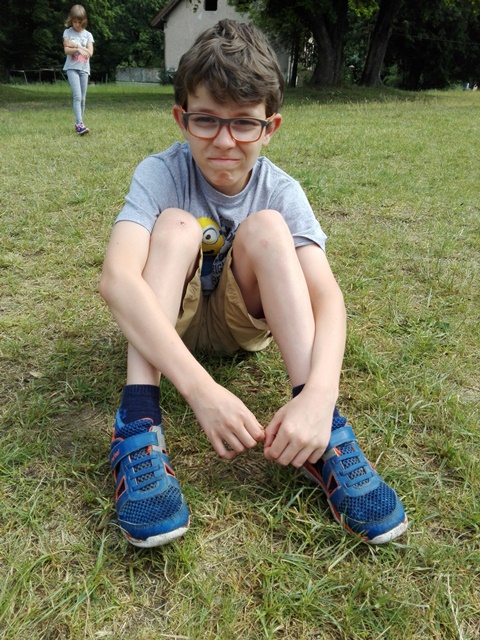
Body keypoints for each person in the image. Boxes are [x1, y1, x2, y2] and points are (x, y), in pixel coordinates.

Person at [99, 19, 408, 548]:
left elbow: (327, 297)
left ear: (270, 127)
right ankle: (138, 422)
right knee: (175, 226)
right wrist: (201, 391)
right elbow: (117, 279)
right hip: (169, 323)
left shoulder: (281, 189)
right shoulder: (159, 172)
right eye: (206, 120)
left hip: (244, 323)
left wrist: (320, 396)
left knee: (267, 226)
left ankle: (325, 432)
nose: (224, 140)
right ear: (181, 118)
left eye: (244, 123)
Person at [63, 5, 94, 135]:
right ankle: (79, 123)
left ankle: (80, 124)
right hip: (72, 68)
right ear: (71, 19)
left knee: (83, 98)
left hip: (84, 69)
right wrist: (78, 48)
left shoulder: (88, 35)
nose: (76, 24)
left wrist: (76, 46)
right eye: (74, 21)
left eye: (79, 22)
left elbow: (90, 53)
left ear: (83, 21)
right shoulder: (67, 32)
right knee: (77, 96)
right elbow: (66, 50)